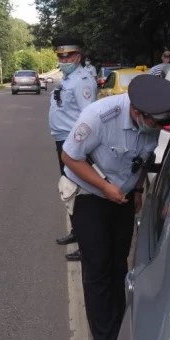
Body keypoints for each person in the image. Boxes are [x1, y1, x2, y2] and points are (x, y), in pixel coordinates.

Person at [60, 73, 170, 340]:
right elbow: (69, 157)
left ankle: (119, 331)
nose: (156, 128)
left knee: (118, 265)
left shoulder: (152, 120)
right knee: (98, 270)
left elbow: (141, 160)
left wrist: (138, 190)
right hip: (90, 195)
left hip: (123, 197)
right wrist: (104, 187)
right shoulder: (100, 116)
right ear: (137, 113)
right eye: (153, 123)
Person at [49, 34, 97, 262]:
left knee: (79, 193)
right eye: (60, 56)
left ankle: (87, 242)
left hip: (73, 144)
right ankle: (77, 232)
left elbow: (89, 117)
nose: (62, 60)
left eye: (66, 56)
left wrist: (79, 148)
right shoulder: (69, 79)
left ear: (77, 56)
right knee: (69, 189)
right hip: (63, 141)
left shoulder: (83, 80)